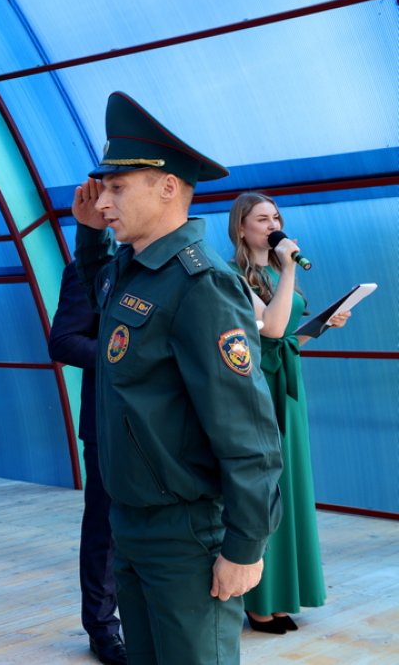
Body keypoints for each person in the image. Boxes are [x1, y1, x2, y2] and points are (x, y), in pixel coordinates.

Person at [69, 92, 284, 664]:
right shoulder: (134, 268)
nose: (103, 201)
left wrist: (245, 545)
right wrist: (89, 234)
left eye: (118, 188)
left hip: (184, 534)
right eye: (103, 188)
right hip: (130, 520)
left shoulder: (200, 283)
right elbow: (101, 293)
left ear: (167, 187)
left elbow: (247, 429)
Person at [228, 192, 349, 634]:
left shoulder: (277, 273)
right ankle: (259, 601)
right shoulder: (233, 276)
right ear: (242, 227)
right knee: (267, 489)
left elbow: (288, 340)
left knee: (291, 488)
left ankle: (282, 597)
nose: (273, 225)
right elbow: (272, 329)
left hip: (288, 384)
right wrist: (291, 266)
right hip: (258, 388)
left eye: (276, 217)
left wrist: (324, 324)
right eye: (262, 219)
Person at [48, 261, 126, 665]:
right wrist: (126, 356)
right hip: (108, 424)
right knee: (104, 528)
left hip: (167, 427)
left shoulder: (180, 265)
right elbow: (63, 341)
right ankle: (102, 628)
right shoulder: (92, 268)